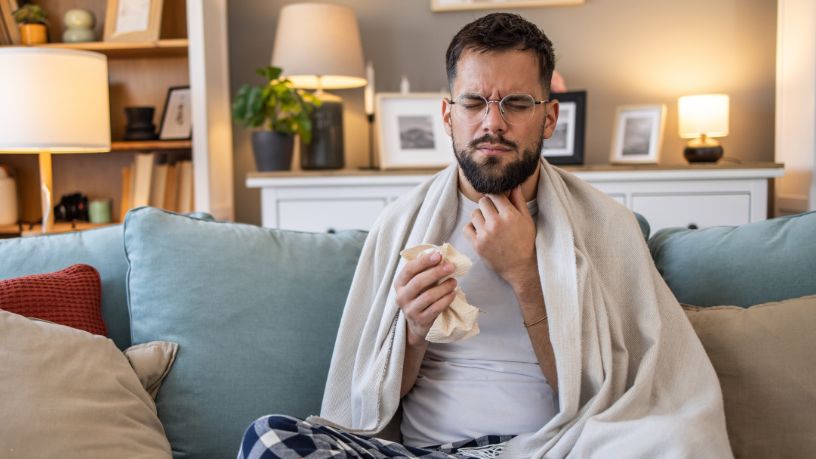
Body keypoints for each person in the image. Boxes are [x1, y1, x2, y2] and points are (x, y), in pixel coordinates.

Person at [239, 12, 733, 459]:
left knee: (680, 441)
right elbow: (372, 404)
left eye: (516, 103)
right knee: (270, 438)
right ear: (448, 114)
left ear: (550, 117)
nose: (492, 123)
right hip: (424, 455)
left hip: (559, 449)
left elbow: (603, 399)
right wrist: (411, 331)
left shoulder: (607, 225)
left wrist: (525, 275)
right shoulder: (402, 224)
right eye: (474, 102)